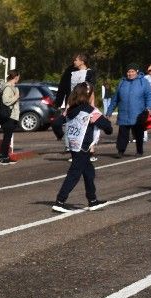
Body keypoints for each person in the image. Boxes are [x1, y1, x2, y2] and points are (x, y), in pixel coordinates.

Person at [51, 82, 111, 213]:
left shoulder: (70, 109)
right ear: (88, 95)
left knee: (89, 172)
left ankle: (93, 201)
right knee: (74, 174)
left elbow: (56, 123)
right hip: (83, 147)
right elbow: (107, 126)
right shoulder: (90, 111)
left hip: (73, 145)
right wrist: (107, 129)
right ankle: (60, 201)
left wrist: (60, 135)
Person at [106, 64, 151, 157]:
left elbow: (149, 96)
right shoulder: (122, 82)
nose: (130, 73)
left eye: (132, 71)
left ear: (137, 71)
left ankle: (139, 151)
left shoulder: (143, 82)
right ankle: (120, 151)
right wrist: (109, 111)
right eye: (128, 72)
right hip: (124, 113)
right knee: (122, 134)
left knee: (138, 133)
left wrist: (149, 107)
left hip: (138, 114)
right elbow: (115, 98)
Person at [0, 70, 20, 163]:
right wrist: (16, 96)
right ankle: (3, 157)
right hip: (8, 116)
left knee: (8, 136)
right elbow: (6, 101)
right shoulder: (8, 88)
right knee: (7, 136)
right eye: (18, 77)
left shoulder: (12, 87)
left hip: (12, 116)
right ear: (16, 77)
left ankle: (4, 156)